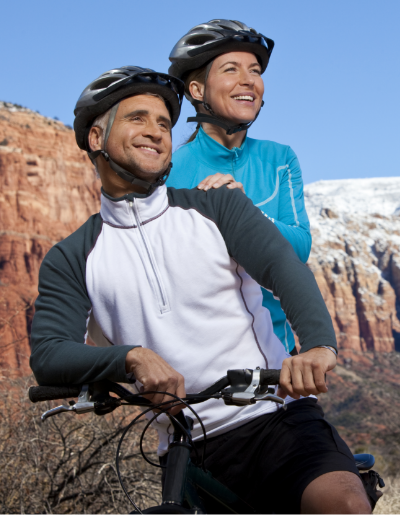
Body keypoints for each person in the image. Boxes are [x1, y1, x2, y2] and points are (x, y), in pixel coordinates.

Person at [30, 66, 371, 515]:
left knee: (342, 504)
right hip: (185, 444)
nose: (156, 132)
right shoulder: (72, 256)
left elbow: (283, 268)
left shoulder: (217, 208)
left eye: (165, 124)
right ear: (96, 138)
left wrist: (319, 346)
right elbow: (49, 354)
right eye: (138, 119)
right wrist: (130, 357)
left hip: (275, 419)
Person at [167, 19, 311, 355]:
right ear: (197, 90)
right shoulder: (171, 171)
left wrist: (245, 211)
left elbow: (300, 247)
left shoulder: (280, 159)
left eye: (255, 70)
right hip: (200, 362)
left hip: (279, 360)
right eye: (231, 69)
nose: (249, 80)